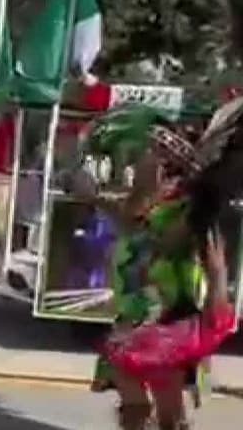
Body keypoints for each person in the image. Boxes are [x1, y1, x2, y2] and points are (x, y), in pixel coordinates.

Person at [71, 107, 237, 430]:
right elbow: (129, 219)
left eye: (156, 153)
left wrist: (218, 293)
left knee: (169, 415)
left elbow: (164, 240)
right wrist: (95, 195)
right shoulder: (148, 195)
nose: (146, 158)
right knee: (133, 409)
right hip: (132, 314)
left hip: (169, 319)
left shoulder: (189, 204)